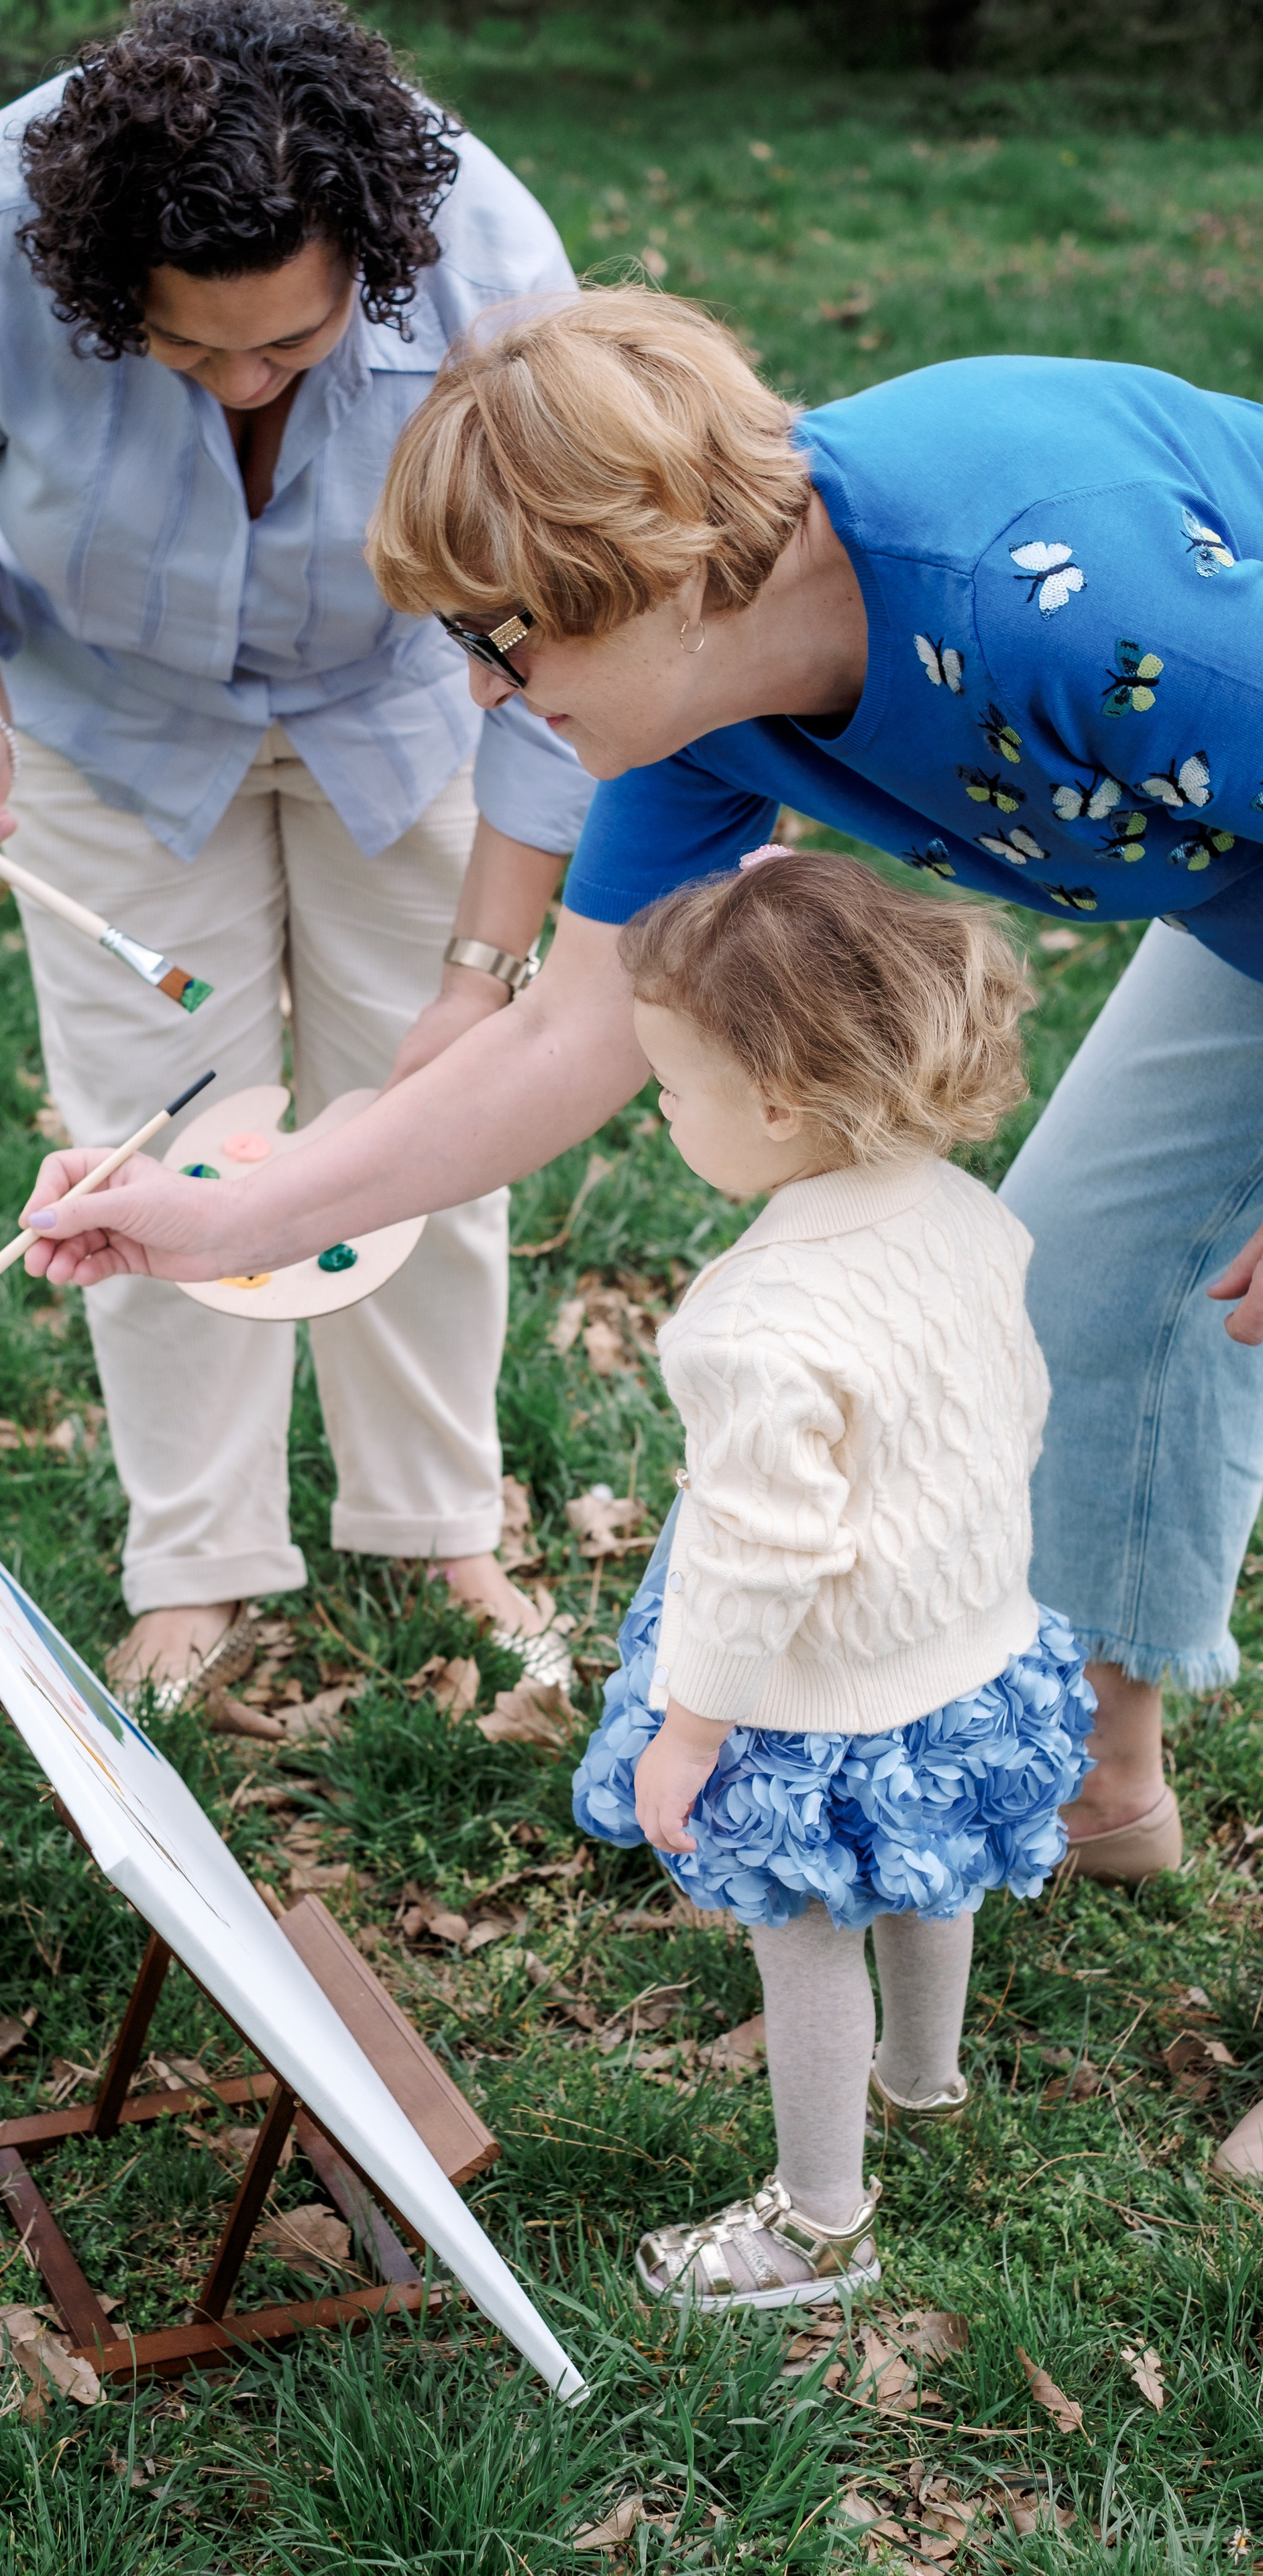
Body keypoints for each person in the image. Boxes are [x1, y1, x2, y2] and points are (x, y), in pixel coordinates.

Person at [19, 288, 1263, 1943]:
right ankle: (1102, 1790)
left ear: (658, 566)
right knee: (1086, 1282)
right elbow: (565, 1040)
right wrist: (220, 1219)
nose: (480, 696)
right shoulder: (695, 709)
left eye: (499, 637)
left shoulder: (1059, 603)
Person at [0, 0, 592, 1706]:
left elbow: (569, 616)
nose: (243, 382)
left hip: (411, 699)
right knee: (151, 1130)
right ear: (99, 287)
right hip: (106, 721)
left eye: (291, 347)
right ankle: (198, 1561)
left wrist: (480, 970)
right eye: (189, 351)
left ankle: (436, 1520)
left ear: (371, 260)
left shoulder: (488, 260)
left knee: (426, 1104)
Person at [569, 847, 1093, 2305]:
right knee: (933, 1876)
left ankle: (816, 2221)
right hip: (971, 1635)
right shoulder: (962, 1209)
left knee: (799, 1939)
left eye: (670, 1089)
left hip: (816, 1697)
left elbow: (756, 1560)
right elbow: (1015, 1404)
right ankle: (920, 2080)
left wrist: (688, 1730)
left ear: (778, 1102)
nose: (661, 1114)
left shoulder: (757, 1319)